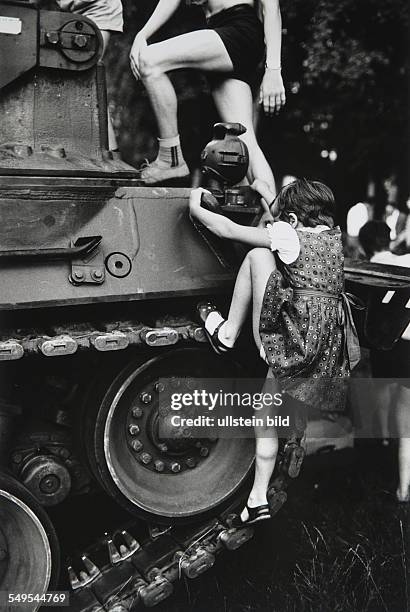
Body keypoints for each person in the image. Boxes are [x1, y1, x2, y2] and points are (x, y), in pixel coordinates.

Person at [190, 178, 358, 524]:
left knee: (256, 255)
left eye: (282, 219)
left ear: (293, 220)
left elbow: (225, 229)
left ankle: (227, 332)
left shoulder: (288, 236)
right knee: (265, 417)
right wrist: (269, 193)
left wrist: (194, 204)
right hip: (323, 348)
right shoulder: (332, 240)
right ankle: (257, 499)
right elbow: (290, 225)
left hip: (292, 340)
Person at [130, 0, 285, 187]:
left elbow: (272, 8)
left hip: (239, 29)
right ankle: (273, 212)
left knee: (149, 60)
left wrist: (273, 70)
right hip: (221, 29)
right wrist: (143, 34)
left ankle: (169, 159)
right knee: (246, 144)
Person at [358, 220, 410, 502]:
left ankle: (381, 449)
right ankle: (404, 489)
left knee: (381, 402)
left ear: (365, 246)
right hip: (408, 345)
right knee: (407, 425)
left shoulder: (367, 269)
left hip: (383, 344)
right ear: (389, 239)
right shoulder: (405, 260)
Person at [55, 0, 124, 152]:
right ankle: (107, 154)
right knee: (81, 80)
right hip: (74, 14)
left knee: (85, 77)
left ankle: (109, 155)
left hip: (97, 8)